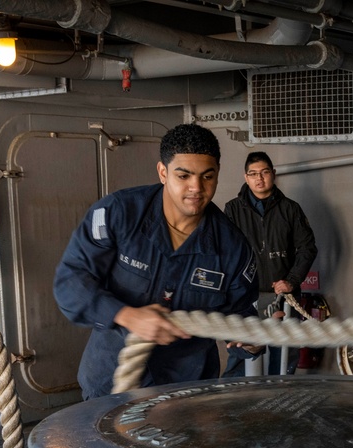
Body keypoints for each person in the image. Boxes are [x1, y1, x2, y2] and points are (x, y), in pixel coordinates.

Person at [54, 124, 259, 400]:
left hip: (187, 392)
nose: (196, 188)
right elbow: (71, 283)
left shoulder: (233, 249)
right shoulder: (119, 214)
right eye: (183, 175)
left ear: (217, 175)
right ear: (163, 172)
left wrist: (253, 342)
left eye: (207, 176)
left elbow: (239, 319)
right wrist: (128, 316)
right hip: (111, 380)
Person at [223, 151, 317, 376]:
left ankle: (279, 406)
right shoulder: (233, 210)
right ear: (245, 177)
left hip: (283, 295)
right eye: (253, 174)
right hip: (245, 297)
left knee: (283, 356)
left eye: (264, 172)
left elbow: (307, 248)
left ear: (273, 174)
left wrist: (292, 281)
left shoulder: (290, 209)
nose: (259, 178)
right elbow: (226, 252)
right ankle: (235, 406)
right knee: (241, 353)